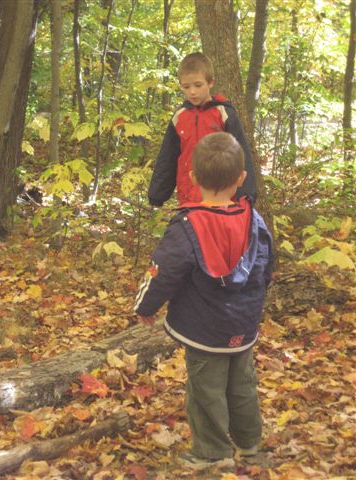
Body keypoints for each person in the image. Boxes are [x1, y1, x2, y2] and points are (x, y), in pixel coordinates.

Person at [135, 132, 273, 471]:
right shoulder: (253, 219)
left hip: (203, 327)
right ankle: (250, 444)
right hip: (242, 322)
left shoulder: (188, 226)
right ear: (241, 179)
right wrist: (253, 302)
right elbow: (267, 265)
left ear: (194, 178)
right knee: (242, 384)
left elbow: (161, 272)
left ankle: (212, 452)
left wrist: (145, 306)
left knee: (206, 389)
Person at [148, 52, 256, 207]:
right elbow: (168, 157)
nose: (192, 91)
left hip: (221, 196)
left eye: (198, 85)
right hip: (188, 198)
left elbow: (241, 154)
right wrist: (157, 195)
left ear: (210, 82)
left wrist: (246, 195)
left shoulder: (223, 114)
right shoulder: (180, 117)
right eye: (186, 86)